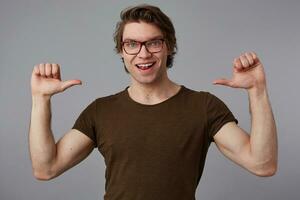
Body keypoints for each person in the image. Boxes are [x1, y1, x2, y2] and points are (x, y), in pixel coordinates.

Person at [29, 4, 278, 200]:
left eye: (154, 42)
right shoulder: (101, 111)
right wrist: (40, 99)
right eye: (132, 44)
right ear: (122, 51)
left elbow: (263, 164)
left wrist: (257, 91)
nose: (143, 53)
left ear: (169, 46)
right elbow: (46, 168)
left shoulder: (204, 107)